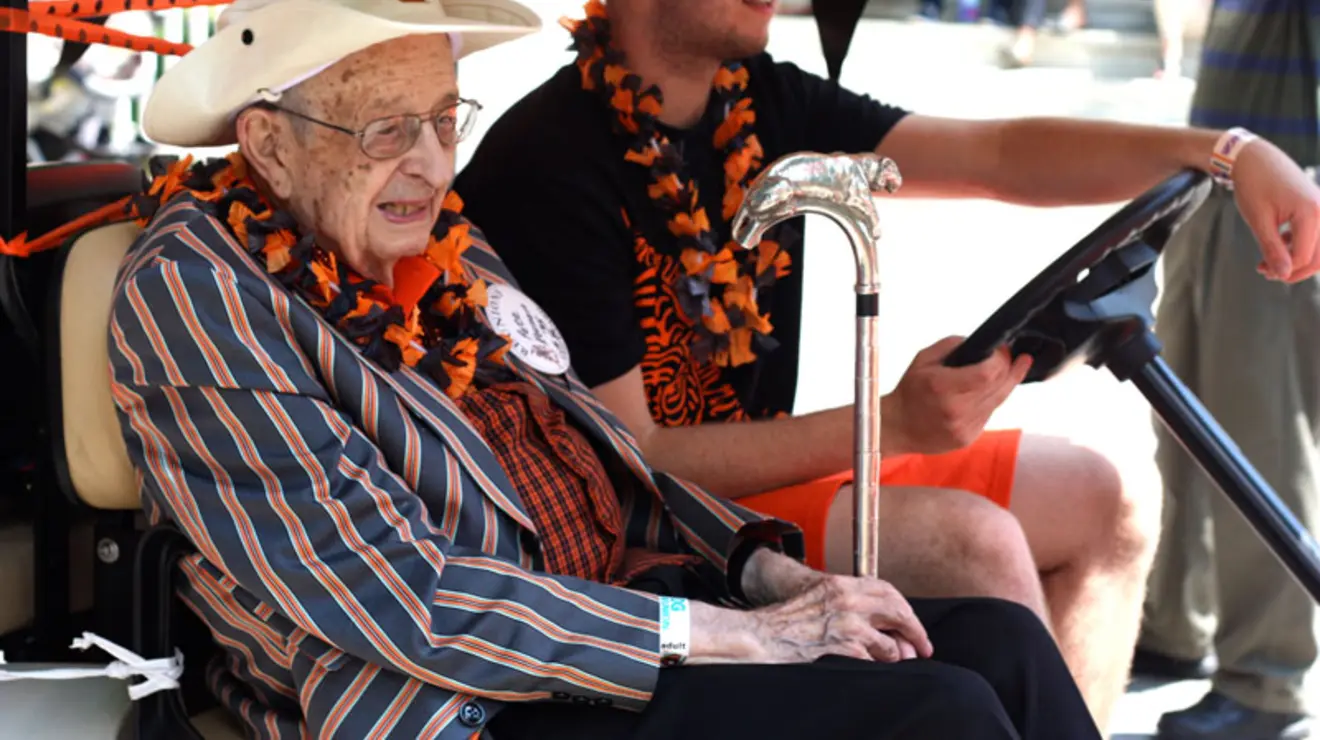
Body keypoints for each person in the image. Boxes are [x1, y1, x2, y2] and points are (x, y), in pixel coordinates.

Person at [105, 0, 1103, 737]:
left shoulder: (442, 240)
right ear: (269, 145)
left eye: (444, 120)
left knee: (999, 646)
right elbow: (403, 598)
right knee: (936, 711)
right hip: (469, 697)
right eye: (384, 129)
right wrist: (746, 634)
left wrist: (765, 572)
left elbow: (606, 457)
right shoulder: (196, 290)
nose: (433, 165)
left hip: (614, 616)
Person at [452, 0, 1320, 729]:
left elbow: (996, 155)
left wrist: (1226, 152)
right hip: (664, 525)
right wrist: (894, 422)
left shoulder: (761, 100)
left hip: (767, 479)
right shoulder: (548, 161)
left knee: (1104, 497)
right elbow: (635, 460)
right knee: (976, 541)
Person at [1135, 1, 1320, 738]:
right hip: (1217, 179)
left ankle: (1267, 679)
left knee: (1259, 432)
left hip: (1289, 191)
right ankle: (1179, 623)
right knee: (1183, 419)